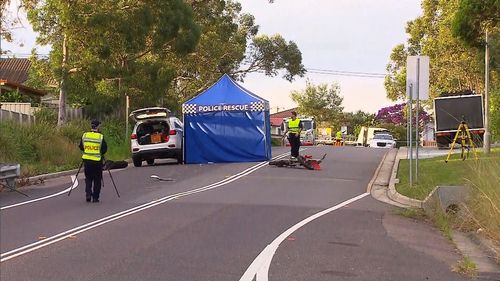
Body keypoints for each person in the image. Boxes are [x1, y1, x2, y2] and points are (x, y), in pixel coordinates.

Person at [79, 120, 108, 203]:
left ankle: (88, 194)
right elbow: (104, 149)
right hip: (97, 161)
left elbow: (81, 146)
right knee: (97, 180)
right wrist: (100, 153)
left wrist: (87, 150)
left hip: (87, 161)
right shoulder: (100, 137)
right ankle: (95, 197)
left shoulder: (85, 135)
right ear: (98, 127)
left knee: (88, 179)